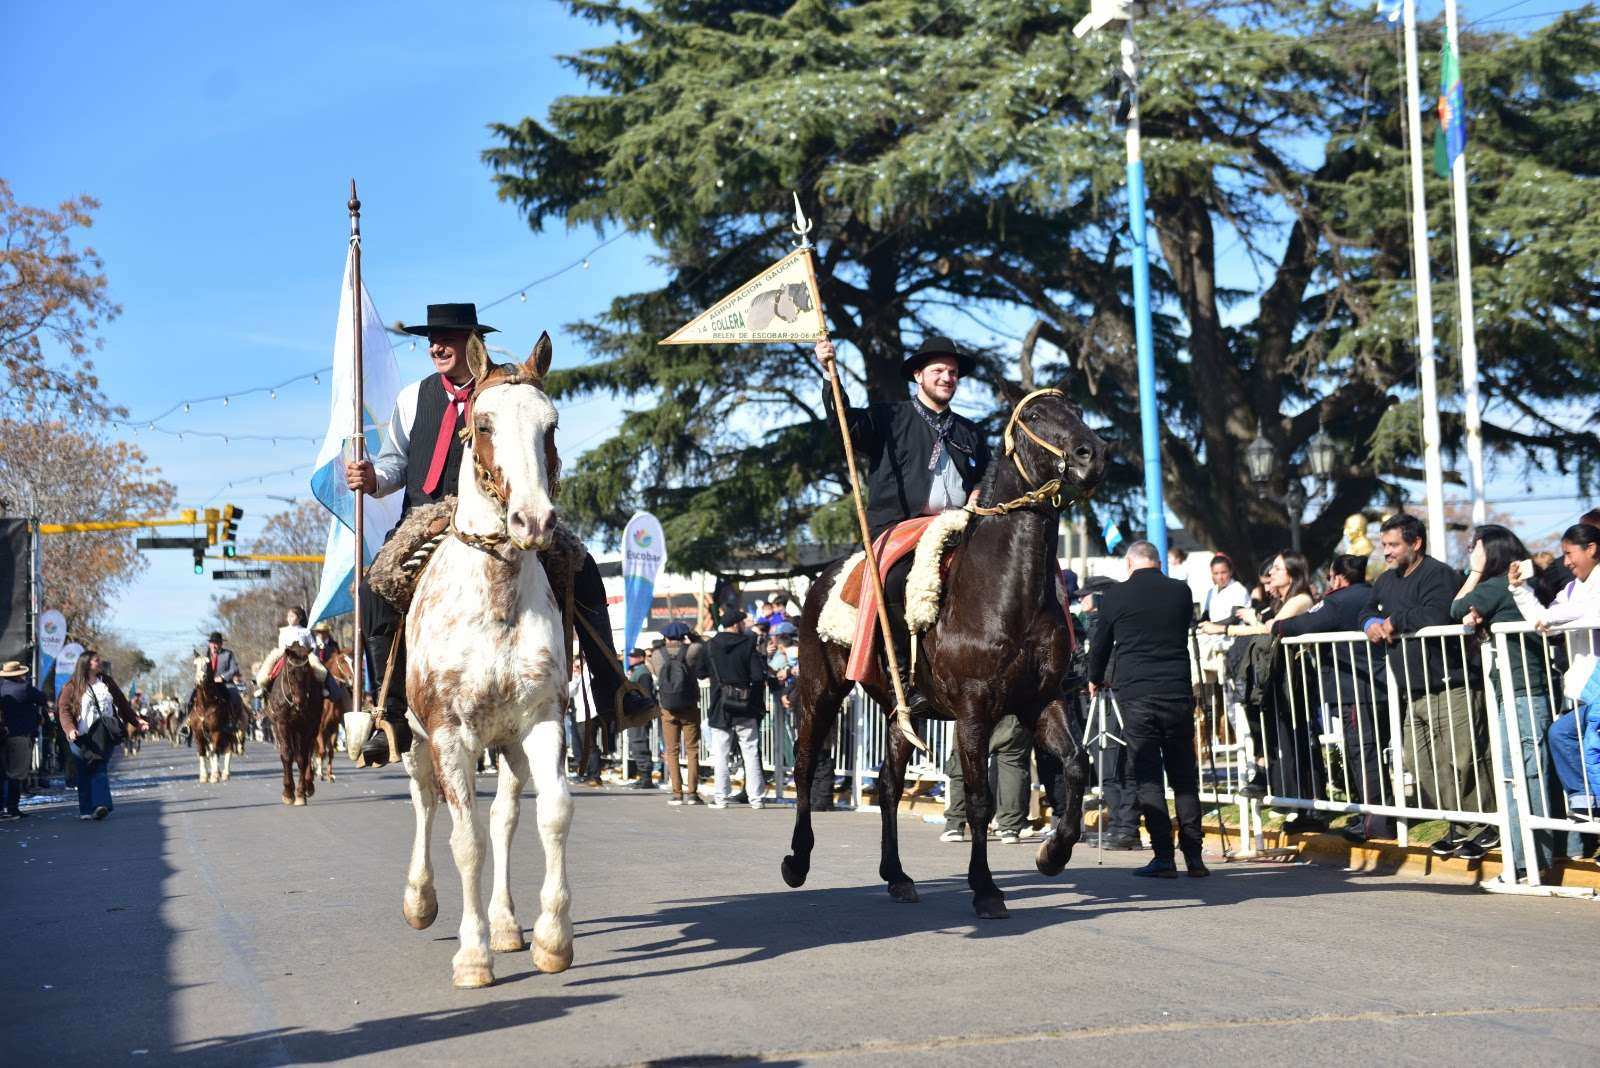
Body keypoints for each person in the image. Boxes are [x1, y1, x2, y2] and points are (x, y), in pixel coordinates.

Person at [345, 302, 652, 764]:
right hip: (428, 515)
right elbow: (396, 462)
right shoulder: (412, 398)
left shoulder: (512, 387)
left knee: (582, 567)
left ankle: (614, 690)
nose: (436, 347)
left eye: (446, 339)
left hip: (504, 509)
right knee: (375, 586)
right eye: (431, 340)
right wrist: (373, 478)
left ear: (473, 343)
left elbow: (535, 443)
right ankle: (387, 710)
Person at [813, 335, 991, 714]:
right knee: (895, 579)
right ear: (918, 375)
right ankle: (901, 678)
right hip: (900, 528)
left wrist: (978, 491)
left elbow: (986, 476)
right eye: (939, 371)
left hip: (958, 527)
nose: (947, 377)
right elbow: (844, 423)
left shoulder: (970, 432)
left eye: (953, 372)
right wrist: (830, 373)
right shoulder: (888, 417)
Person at [1362, 514, 1489, 857]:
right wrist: (1371, 622)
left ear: (1415, 543)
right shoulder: (1386, 581)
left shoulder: (1438, 574)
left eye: (1393, 545)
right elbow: (1365, 608)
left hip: (1450, 682)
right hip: (1411, 689)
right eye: (1383, 545)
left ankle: (1482, 826)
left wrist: (1395, 620)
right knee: (1419, 763)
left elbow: (1439, 613)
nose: (1386, 552)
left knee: (1463, 759)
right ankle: (1456, 823)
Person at [1087, 540, 1208, 878]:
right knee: (1184, 775)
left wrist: (1095, 677)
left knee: (1148, 777)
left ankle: (1164, 858)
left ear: (1130, 564)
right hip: (1177, 690)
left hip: (1137, 693)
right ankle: (1195, 857)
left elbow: (1100, 644)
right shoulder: (1181, 592)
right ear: (1157, 562)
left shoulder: (1116, 596)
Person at [1454, 524, 1570, 871]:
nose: (1471, 553)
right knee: (1532, 772)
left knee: (1523, 774)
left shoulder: (1498, 585)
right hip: (1527, 687)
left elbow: (1456, 605)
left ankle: (1530, 860)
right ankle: (1547, 853)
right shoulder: (1522, 580)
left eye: (1475, 548)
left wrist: (1475, 571)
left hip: (1521, 689)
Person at [1274, 555, 1387, 841]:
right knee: (1375, 752)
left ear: (1337, 577)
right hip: (1380, 685)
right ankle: (1377, 813)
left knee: (1364, 753)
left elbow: (1303, 624)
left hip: (1353, 688)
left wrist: (1277, 627)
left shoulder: (1339, 600)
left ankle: (1376, 820)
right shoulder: (1372, 593)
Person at [1510, 522, 1600, 821]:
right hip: (1585, 690)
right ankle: (1586, 804)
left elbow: (1589, 612)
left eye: (1569, 553)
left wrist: (1552, 617)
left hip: (1594, 688)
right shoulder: (1572, 589)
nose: (1565, 562)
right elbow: (1543, 622)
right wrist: (1520, 589)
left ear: (1592, 549)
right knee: (1562, 734)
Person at [57, 651, 146, 821]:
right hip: (80, 737)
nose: (100, 663)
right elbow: (64, 710)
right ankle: (85, 809)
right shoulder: (72, 686)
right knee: (83, 771)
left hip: (103, 734)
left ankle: (100, 805)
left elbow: (122, 703)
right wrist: (69, 729)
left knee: (100, 768)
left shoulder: (107, 682)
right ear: (87, 663)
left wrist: (137, 722)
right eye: (97, 660)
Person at [697, 609, 769, 810]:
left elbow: (701, 673)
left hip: (720, 704)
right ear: (736, 624)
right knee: (751, 751)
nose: (745, 625)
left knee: (721, 754)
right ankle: (756, 799)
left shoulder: (709, 646)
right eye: (743, 622)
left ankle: (721, 798)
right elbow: (757, 676)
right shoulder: (747, 645)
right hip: (744, 705)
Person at [939, 715, 1034, 844]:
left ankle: (955, 825)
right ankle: (1010, 828)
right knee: (1012, 765)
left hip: (971, 710)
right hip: (1011, 711)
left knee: (964, 762)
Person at [654, 625, 703, 806]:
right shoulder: (692, 650)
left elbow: (656, 673)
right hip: (689, 705)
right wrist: (691, 636)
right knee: (692, 750)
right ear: (683, 635)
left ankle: (677, 793)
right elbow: (701, 644)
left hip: (667, 707)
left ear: (665, 637)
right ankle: (692, 793)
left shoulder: (657, 654)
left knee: (672, 751)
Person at [0, 661, 49, 820]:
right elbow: (42, 698)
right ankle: (12, 808)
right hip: (20, 736)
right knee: (17, 773)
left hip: (4, 735)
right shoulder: (24, 688)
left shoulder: (2, 689)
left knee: (4, 773)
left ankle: (3, 807)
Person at [256, 606, 328, 695]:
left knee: (318, 668)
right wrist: (285, 651)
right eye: (288, 616)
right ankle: (264, 686)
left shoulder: (305, 631)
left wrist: (309, 653)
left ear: (299, 618)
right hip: (287, 653)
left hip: (303, 654)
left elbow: (313, 644)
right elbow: (281, 644)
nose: (289, 619)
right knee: (272, 666)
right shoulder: (284, 631)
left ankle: (322, 687)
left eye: (292, 616)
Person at [624, 648, 657, 790]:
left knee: (639, 743)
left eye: (635, 656)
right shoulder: (638, 672)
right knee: (637, 744)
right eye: (631, 656)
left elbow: (645, 695)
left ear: (642, 658)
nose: (631, 658)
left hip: (639, 714)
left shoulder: (642, 673)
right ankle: (642, 775)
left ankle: (646, 777)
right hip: (636, 714)